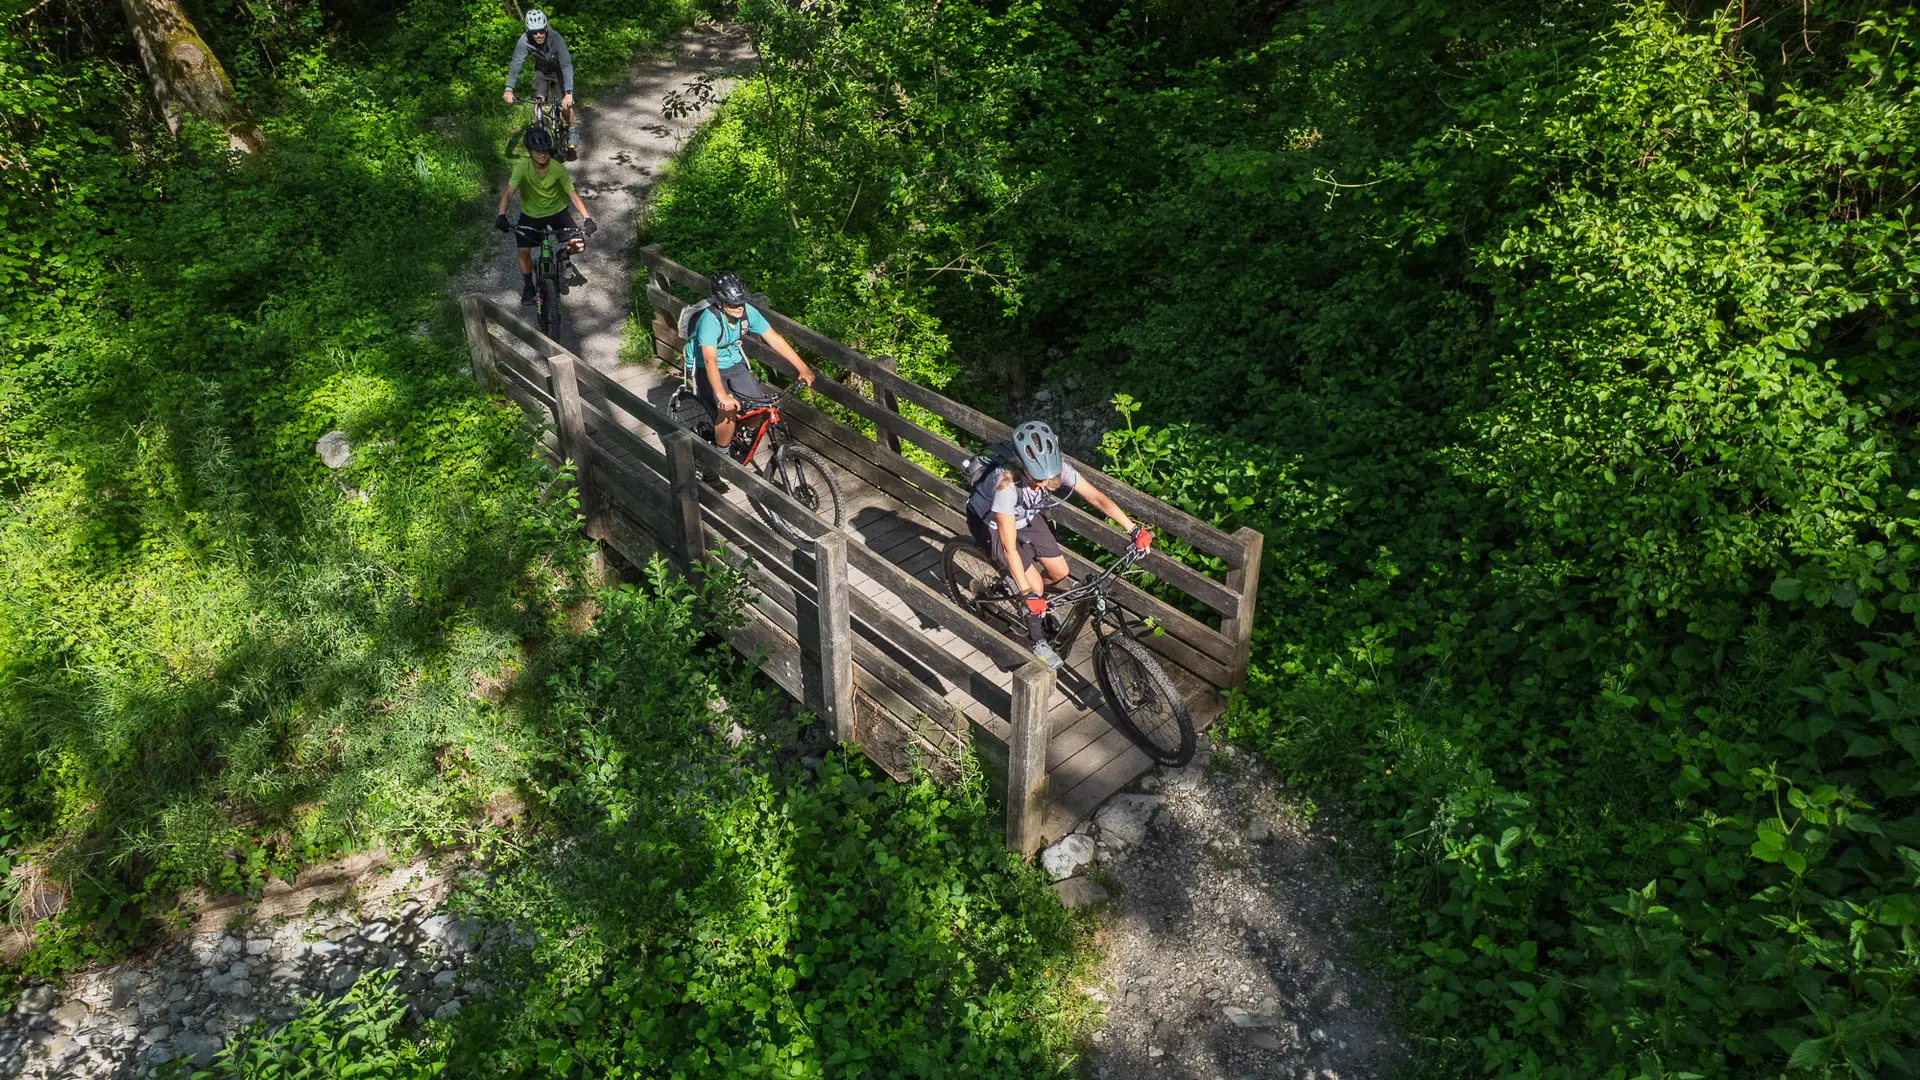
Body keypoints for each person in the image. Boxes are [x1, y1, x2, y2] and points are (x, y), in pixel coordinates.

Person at [965, 420, 1151, 668]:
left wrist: (1133, 529)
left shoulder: (1056, 469)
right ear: (1021, 467)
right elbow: (1009, 547)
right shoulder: (1006, 485)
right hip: (992, 523)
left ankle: (1038, 603)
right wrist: (1028, 593)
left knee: (1060, 571)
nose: (1046, 484)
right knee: (1035, 585)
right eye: (1038, 479)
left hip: (1025, 514)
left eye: (1050, 477)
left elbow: (1096, 497)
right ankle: (1036, 639)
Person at [684, 272, 815, 452]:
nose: (739, 307)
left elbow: (774, 339)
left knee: (759, 407)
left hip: (734, 362)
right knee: (727, 412)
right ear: (720, 303)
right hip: (705, 367)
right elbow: (709, 360)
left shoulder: (748, 313)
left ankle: (735, 434)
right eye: (732, 303)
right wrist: (722, 396)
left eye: (741, 301)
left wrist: (803, 368)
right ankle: (721, 456)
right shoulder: (710, 320)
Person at [494, 127, 596, 304]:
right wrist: (501, 215)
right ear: (530, 151)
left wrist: (587, 218)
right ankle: (528, 287)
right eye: (538, 151)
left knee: (579, 244)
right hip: (531, 215)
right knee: (523, 251)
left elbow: (572, 194)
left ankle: (563, 255)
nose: (542, 155)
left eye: (545, 151)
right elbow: (509, 192)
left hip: (557, 211)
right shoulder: (521, 168)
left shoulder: (557, 168)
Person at [503, 10, 577, 159]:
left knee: (564, 105)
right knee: (538, 101)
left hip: (559, 72)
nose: (538, 35)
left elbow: (566, 65)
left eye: (541, 31)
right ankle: (540, 132)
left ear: (546, 28)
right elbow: (516, 63)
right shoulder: (524, 40)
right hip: (541, 71)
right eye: (534, 32)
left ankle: (572, 129)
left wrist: (568, 93)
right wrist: (509, 88)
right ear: (529, 31)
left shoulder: (556, 39)